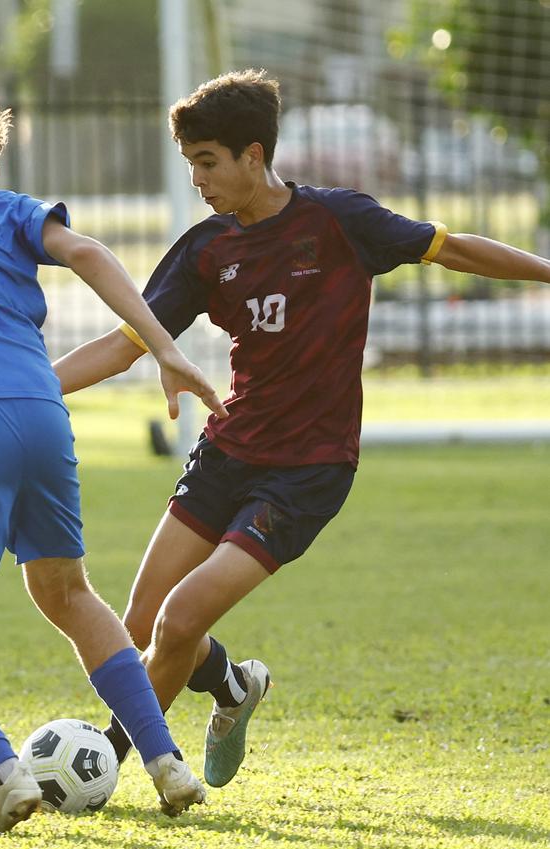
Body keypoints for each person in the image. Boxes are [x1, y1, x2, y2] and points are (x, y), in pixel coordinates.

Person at [53, 69, 550, 791]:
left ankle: (106, 766)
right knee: (139, 622)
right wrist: (29, 386)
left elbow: (453, 247)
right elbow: (127, 341)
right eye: (190, 161)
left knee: (180, 616)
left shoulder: (339, 221)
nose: (196, 177)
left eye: (207, 161)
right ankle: (231, 689)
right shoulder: (205, 250)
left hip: (308, 468)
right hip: (227, 448)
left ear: (254, 156)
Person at [0, 89, 229, 833]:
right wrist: (167, 349)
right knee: (68, 593)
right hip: (42, 413)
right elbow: (85, 251)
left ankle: (9, 774)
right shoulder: (9, 206)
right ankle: (165, 762)